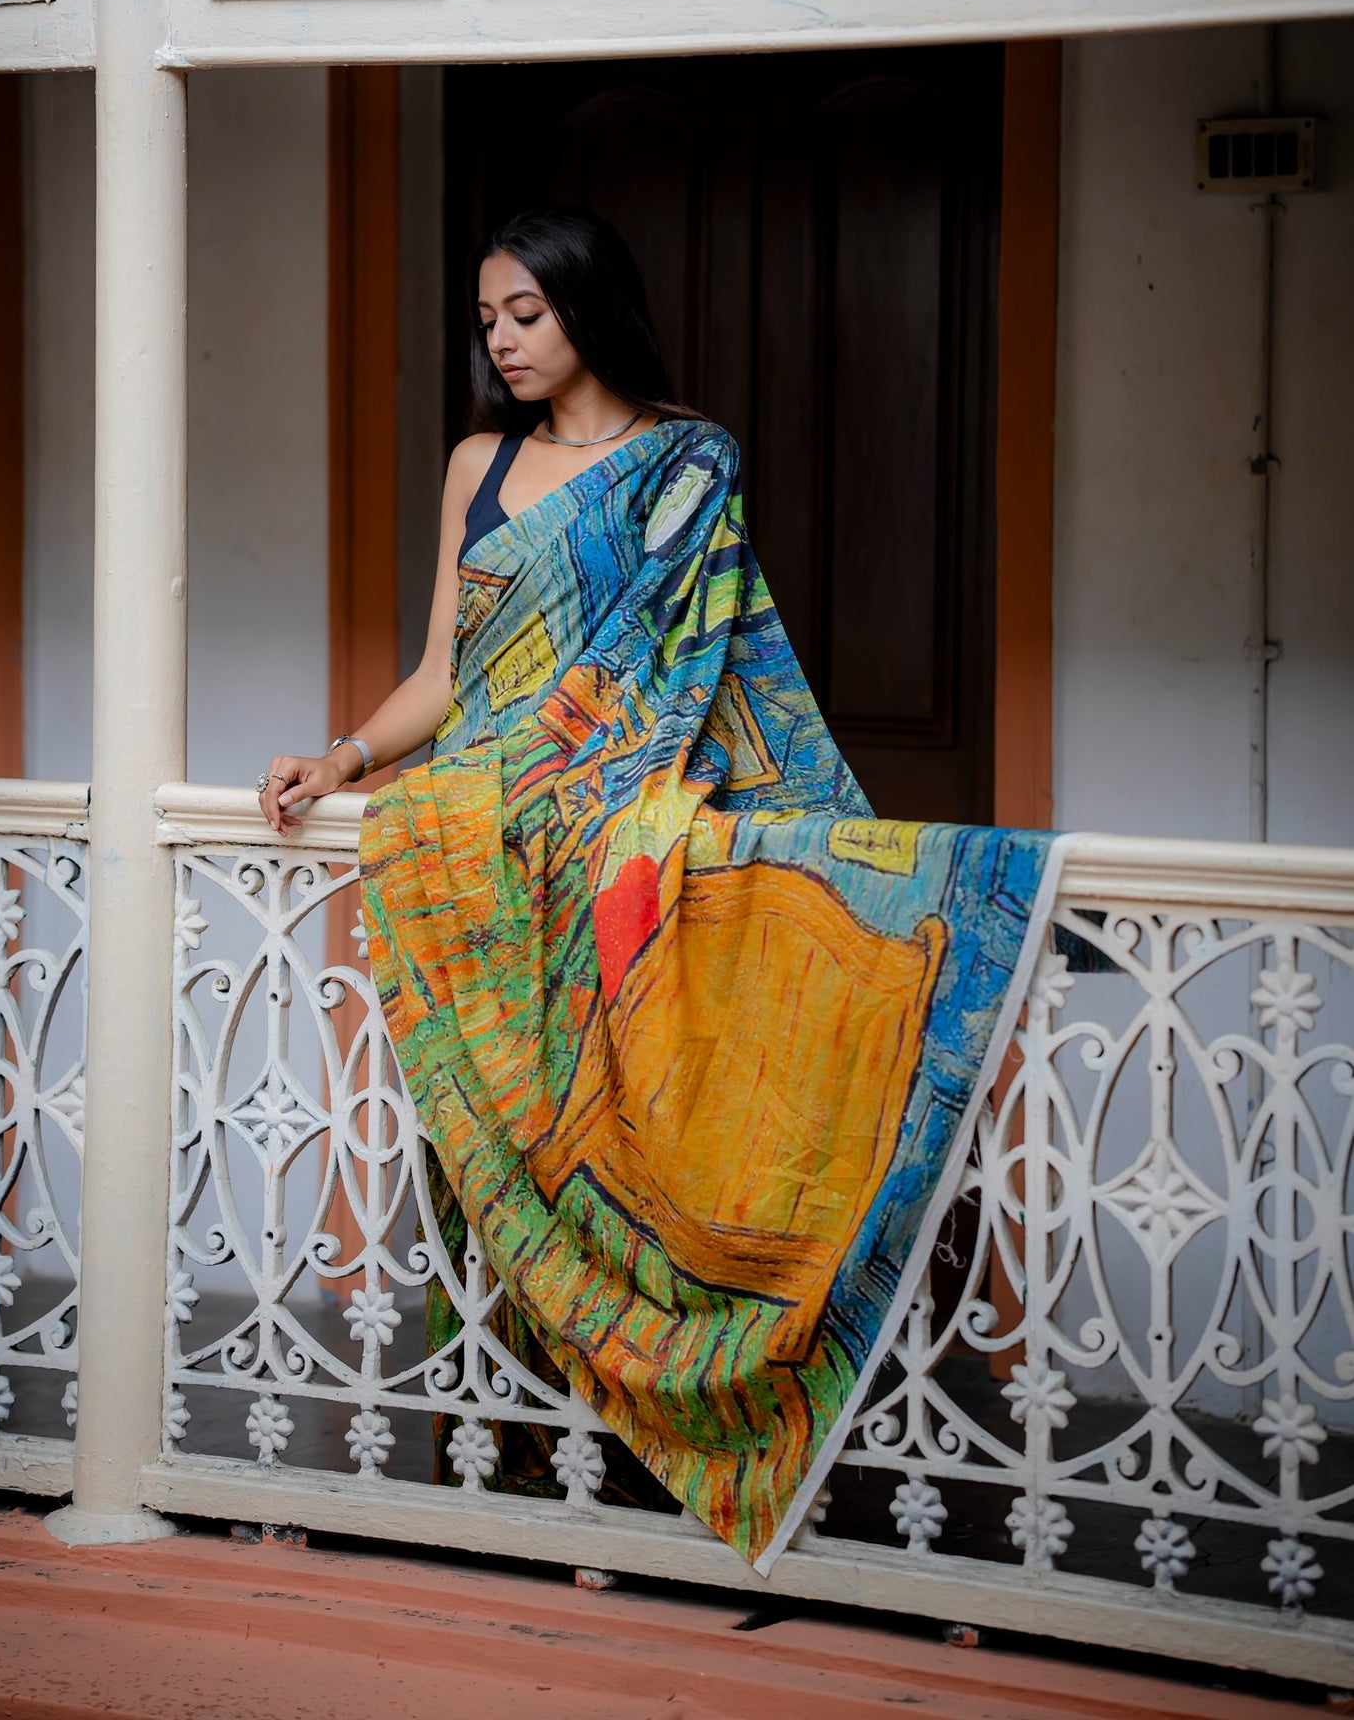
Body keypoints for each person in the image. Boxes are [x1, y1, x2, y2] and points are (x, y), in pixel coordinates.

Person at [258, 206, 1058, 1571]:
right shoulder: (478, 464)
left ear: (587, 309)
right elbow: (448, 675)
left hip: (604, 830)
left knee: (637, 1134)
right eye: (488, 317)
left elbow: (679, 664)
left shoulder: (687, 463)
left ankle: (664, 1450)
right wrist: (340, 756)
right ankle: (514, 1446)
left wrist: (572, 787)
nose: (502, 340)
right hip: (490, 858)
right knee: (500, 1143)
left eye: (527, 313)